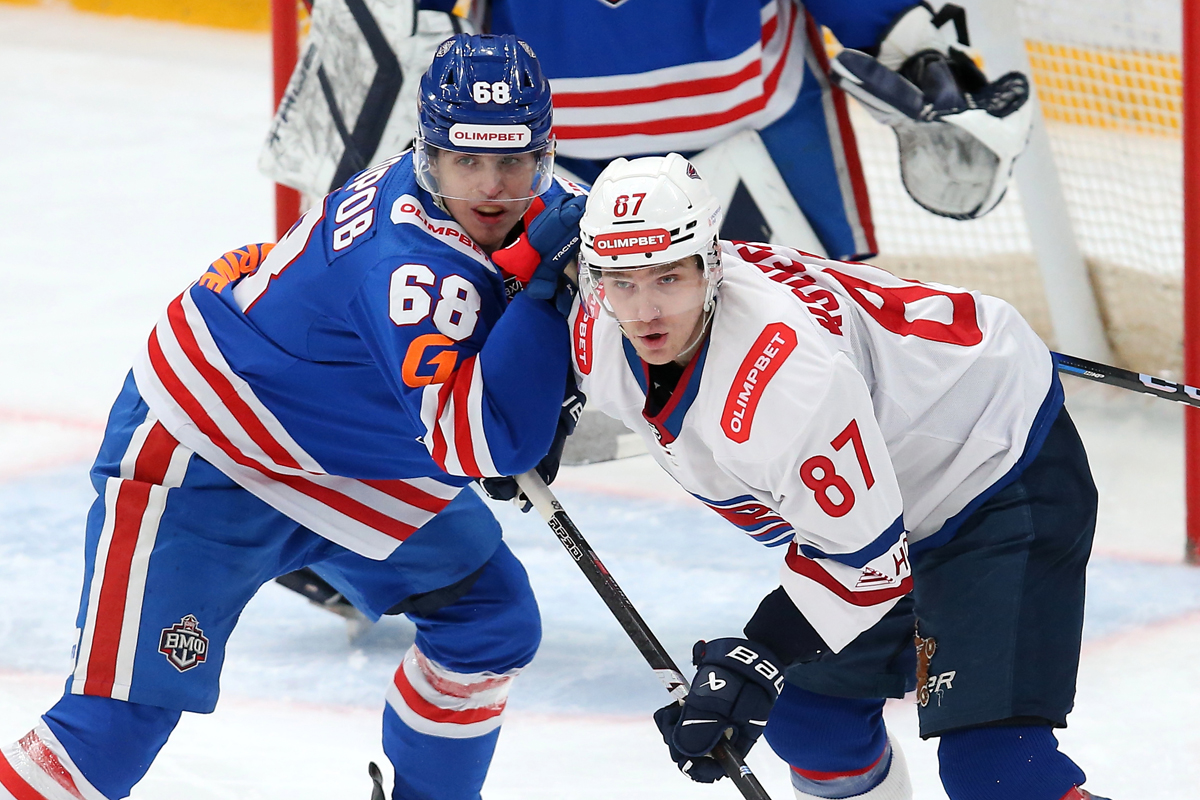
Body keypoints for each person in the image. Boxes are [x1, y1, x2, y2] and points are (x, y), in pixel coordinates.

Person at [0, 33, 585, 800]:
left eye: (513, 161)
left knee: (490, 622)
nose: (491, 187)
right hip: (212, 448)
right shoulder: (411, 267)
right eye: (466, 160)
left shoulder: (527, 206)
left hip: (346, 453)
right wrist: (540, 302)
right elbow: (487, 444)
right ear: (427, 154)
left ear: (544, 154)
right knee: (114, 727)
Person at [568, 153, 1108, 800]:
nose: (647, 311)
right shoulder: (596, 319)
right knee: (813, 725)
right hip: (889, 477)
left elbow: (865, 561)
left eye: (669, 279)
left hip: (990, 460)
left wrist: (759, 654)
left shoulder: (781, 379)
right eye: (622, 282)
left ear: (712, 266)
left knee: (997, 771)